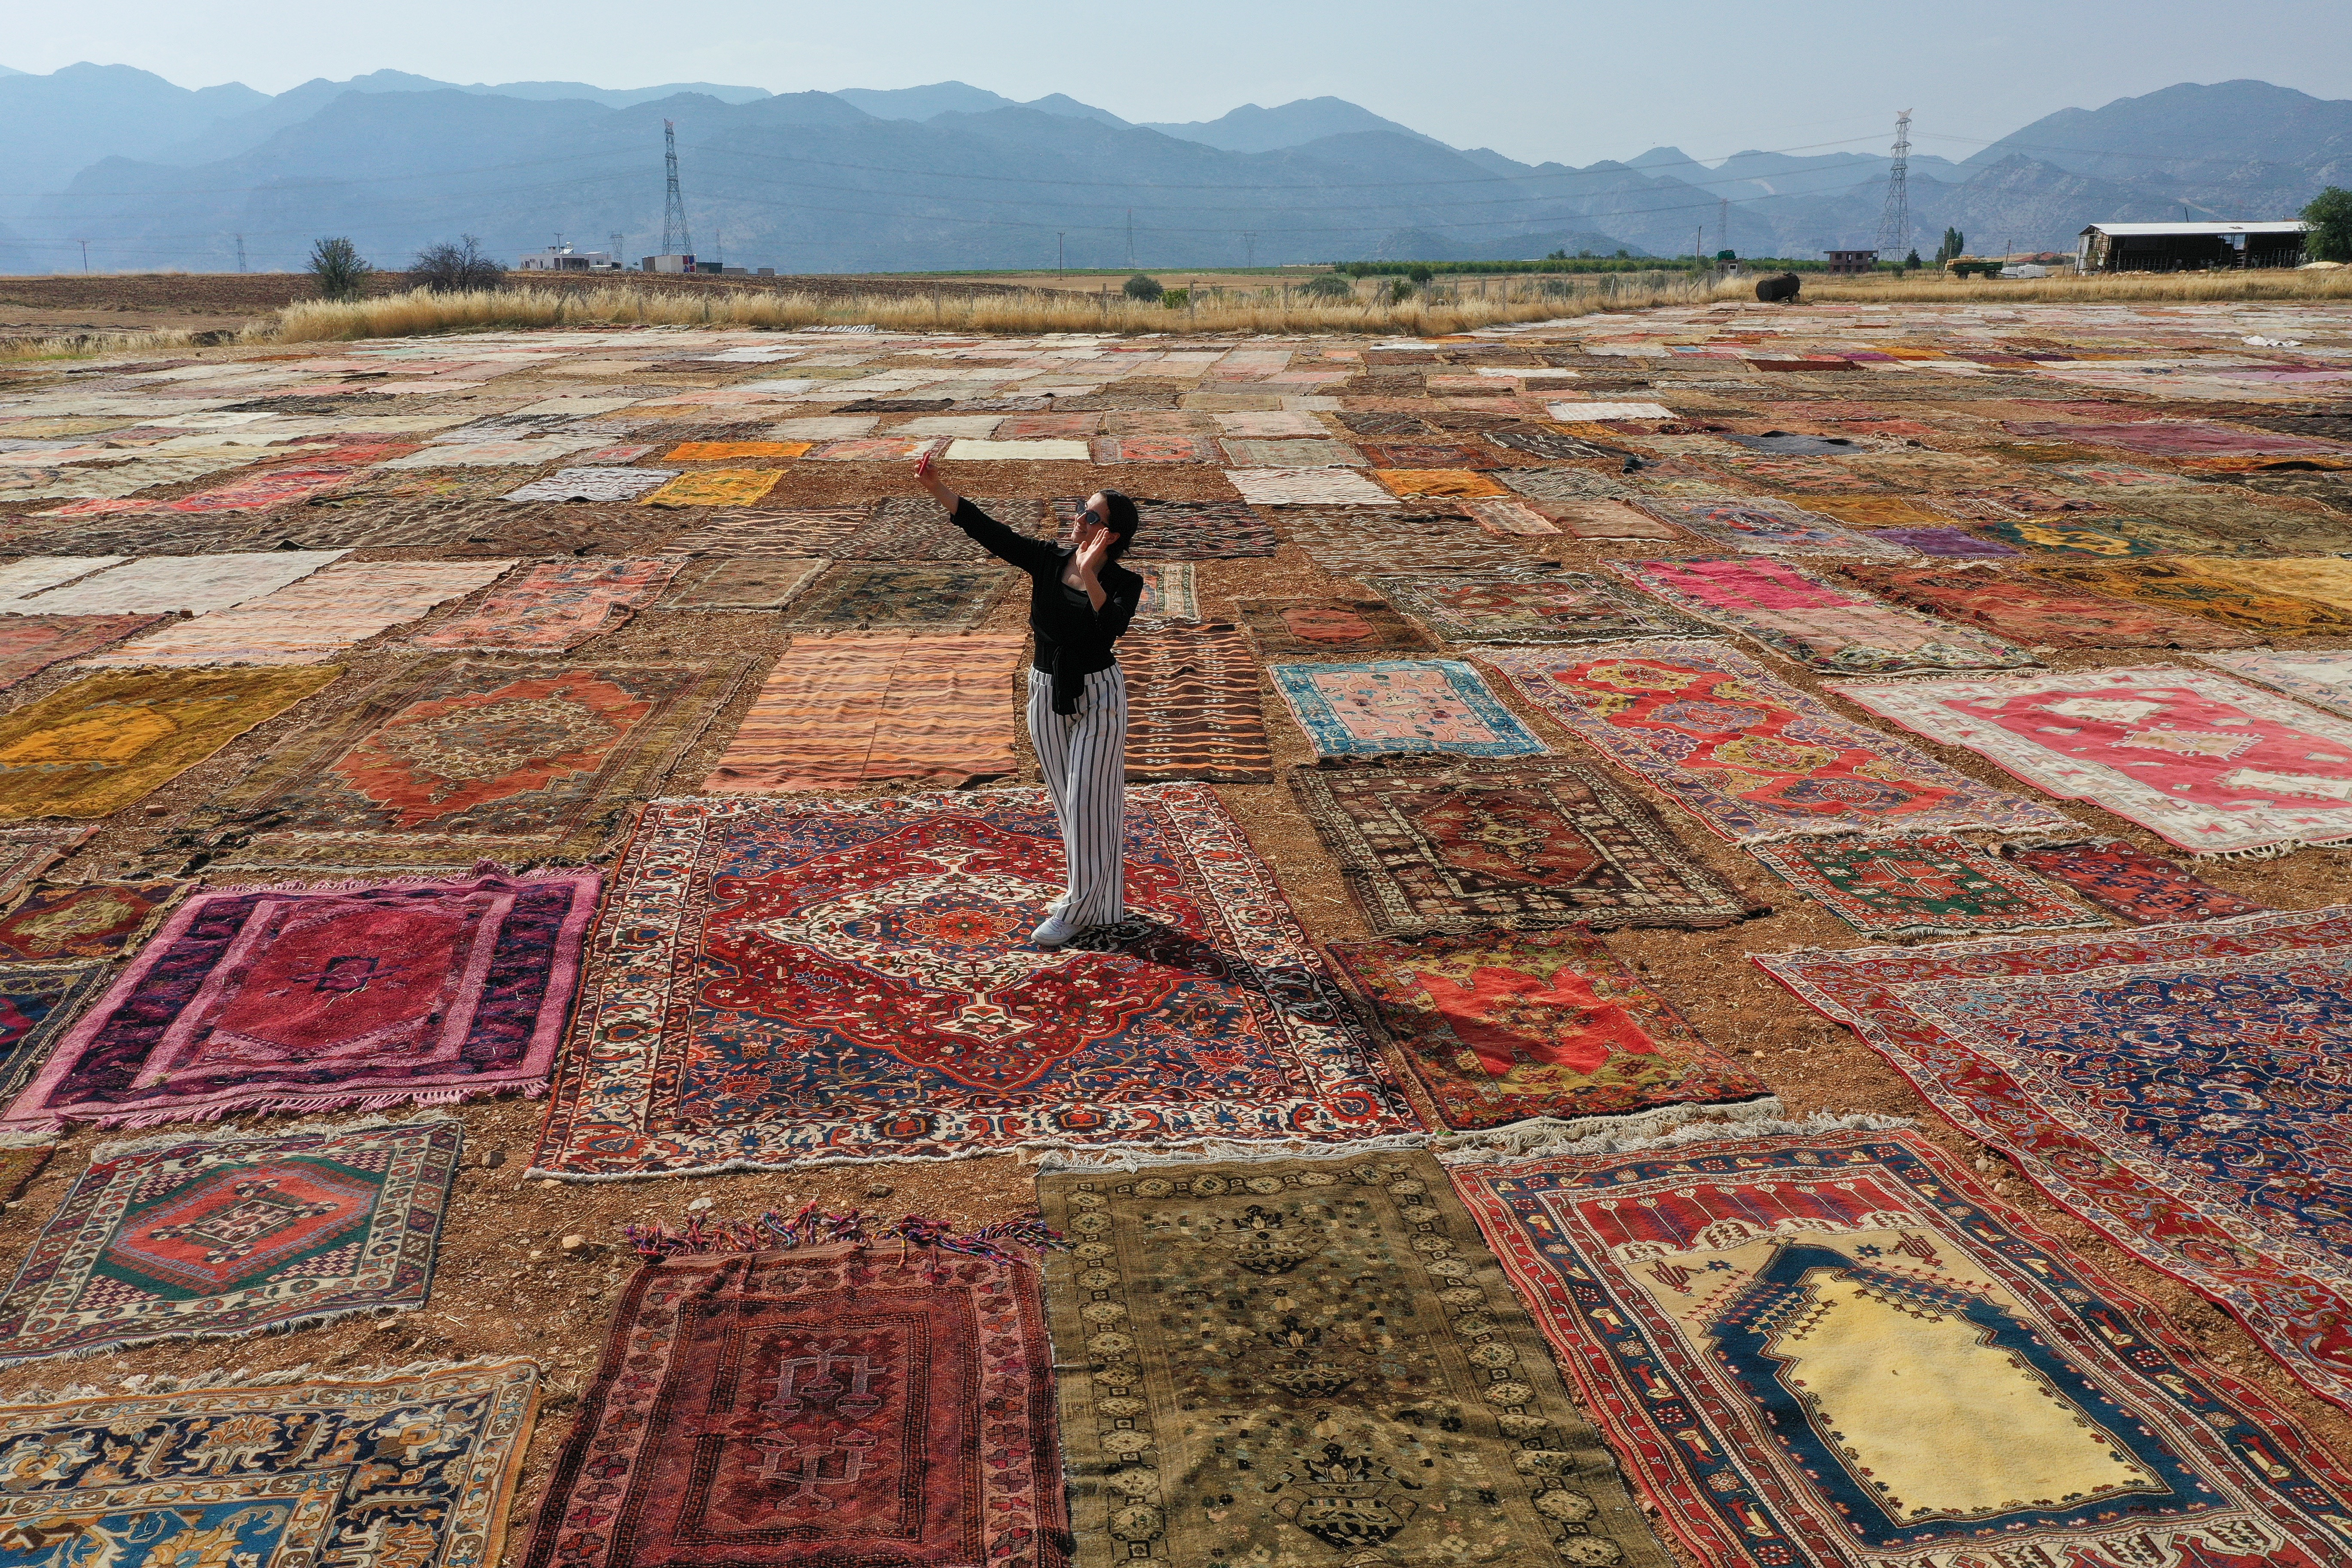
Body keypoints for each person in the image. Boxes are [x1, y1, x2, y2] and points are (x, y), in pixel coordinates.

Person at [913, 451, 1144, 948]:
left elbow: (1109, 634)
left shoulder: (1126, 582)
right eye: (1083, 510)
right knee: (1069, 804)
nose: (1079, 519)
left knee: (1090, 804)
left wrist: (1092, 576)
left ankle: (1077, 910)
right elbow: (992, 533)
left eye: (1091, 516)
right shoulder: (1048, 560)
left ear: (1112, 534)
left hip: (1099, 695)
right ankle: (1102, 904)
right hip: (1045, 689)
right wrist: (938, 488)